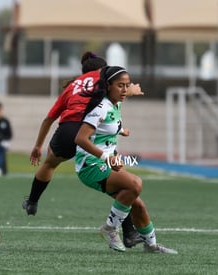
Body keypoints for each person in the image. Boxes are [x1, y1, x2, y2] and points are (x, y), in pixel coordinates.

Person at [22, 52, 144, 248]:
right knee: (119, 180)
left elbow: (49, 119)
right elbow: (117, 91)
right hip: (91, 130)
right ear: (103, 69)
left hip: (68, 129)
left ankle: (32, 201)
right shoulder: (104, 77)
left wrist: (37, 146)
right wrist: (132, 90)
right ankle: (129, 232)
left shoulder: (73, 85)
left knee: (50, 164)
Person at [74, 66, 178, 254]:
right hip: (90, 164)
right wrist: (107, 157)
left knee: (138, 204)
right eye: (120, 86)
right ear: (108, 86)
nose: (124, 90)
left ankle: (151, 245)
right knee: (135, 184)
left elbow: (110, 120)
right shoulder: (101, 108)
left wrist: (121, 129)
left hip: (105, 162)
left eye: (126, 85)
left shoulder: (116, 100)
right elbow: (80, 139)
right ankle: (109, 229)